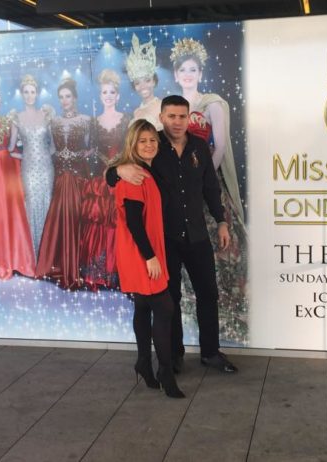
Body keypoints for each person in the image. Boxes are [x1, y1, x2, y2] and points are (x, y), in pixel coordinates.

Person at [107, 95, 237, 373]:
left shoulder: (199, 147)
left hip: (197, 234)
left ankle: (210, 353)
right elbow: (114, 174)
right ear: (162, 118)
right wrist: (117, 169)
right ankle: (174, 355)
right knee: (171, 299)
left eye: (182, 116)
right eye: (171, 116)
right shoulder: (152, 146)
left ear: (189, 118)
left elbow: (210, 187)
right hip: (166, 239)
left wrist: (221, 221)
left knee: (208, 294)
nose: (177, 122)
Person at [171, 38, 248, 344]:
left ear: (200, 73)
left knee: (221, 247)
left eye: (193, 69)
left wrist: (202, 180)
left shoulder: (212, 103)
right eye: (183, 70)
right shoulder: (172, 107)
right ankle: (188, 313)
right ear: (176, 74)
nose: (188, 75)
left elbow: (221, 145)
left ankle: (224, 312)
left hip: (207, 185)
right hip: (180, 192)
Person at [110, 118, 184, 398]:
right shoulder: (134, 176)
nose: (149, 144)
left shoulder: (147, 171)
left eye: (153, 139)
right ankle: (165, 372)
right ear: (133, 144)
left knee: (143, 306)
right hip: (141, 253)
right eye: (142, 141)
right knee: (164, 308)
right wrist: (150, 257)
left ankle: (143, 362)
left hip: (146, 251)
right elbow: (134, 222)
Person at [0, 75, 35, 280]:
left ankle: (19, 260)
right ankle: (1, 262)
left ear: (0, 98)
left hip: (9, 169)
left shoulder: (8, 120)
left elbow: (13, 147)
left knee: (13, 212)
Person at [35, 78, 90, 290]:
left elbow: (90, 148)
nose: (64, 100)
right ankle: (60, 264)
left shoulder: (86, 120)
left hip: (78, 177)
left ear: (75, 97)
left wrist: (81, 156)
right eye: (61, 97)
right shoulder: (54, 122)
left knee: (78, 218)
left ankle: (78, 267)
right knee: (61, 219)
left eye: (68, 96)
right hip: (60, 176)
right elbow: (50, 149)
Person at [79, 69, 130, 290]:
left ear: (117, 96)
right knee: (99, 223)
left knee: (120, 223)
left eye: (112, 92)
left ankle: (121, 272)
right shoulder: (94, 122)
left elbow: (129, 148)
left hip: (120, 178)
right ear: (100, 96)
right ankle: (100, 273)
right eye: (104, 92)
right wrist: (85, 154)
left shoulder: (126, 119)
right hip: (100, 180)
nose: (108, 96)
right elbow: (92, 147)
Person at [9, 74, 55, 259]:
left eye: (32, 92)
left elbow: (53, 147)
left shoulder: (46, 115)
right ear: (22, 94)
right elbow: (11, 148)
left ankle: (48, 257)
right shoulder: (16, 118)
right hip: (28, 169)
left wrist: (42, 157)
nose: (29, 95)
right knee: (32, 205)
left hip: (46, 169)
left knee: (47, 204)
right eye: (26, 92)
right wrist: (26, 156)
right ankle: (34, 257)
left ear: (37, 94)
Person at [125, 34, 163, 131]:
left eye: (147, 80)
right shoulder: (136, 112)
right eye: (137, 83)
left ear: (154, 81)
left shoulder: (162, 106)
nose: (142, 86)